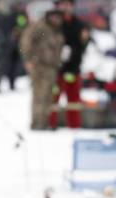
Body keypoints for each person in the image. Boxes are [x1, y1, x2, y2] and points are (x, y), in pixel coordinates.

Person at [20, 3, 65, 130]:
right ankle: (37, 123)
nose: (56, 19)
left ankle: (44, 123)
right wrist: (28, 60)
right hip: (39, 66)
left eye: (58, 17)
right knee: (39, 95)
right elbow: (26, 41)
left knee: (48, 96)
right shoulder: (40, 27)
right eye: (54, 16)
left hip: (52, 67)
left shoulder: (56, 29)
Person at [48, 0, 90, 129]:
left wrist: (85, 39)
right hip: (55, 69)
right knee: (52, 100)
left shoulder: (80, 25)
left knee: (74, 101)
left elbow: (83, 46)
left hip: (73, 68)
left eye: (68, 5)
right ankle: (50, 125)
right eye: (62, 4)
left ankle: (74, 126)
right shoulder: (52, 24)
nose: (65, 8)